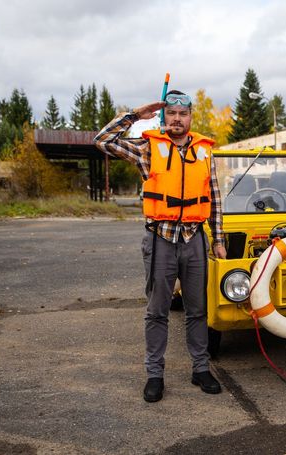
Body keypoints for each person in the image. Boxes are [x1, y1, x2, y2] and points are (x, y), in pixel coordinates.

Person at [94, 90, 227, 403]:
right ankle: (154, 374)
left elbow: (215, 199)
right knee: (157, 311)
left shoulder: (205, 151)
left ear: (190, 117)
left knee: (198, 310)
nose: (177, 120)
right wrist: (135, 114)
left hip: (195, 239)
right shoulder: (147, 148)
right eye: (172, 114)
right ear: (165, 117)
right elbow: (103, 140)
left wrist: (218, 239)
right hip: (160, 240)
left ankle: (200, 368)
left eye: (183, 114)